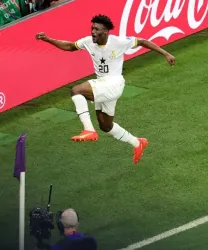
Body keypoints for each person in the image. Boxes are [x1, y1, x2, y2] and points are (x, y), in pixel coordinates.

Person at [36, 14, 175, 164]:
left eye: (97, 29)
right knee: (106, 125)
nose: (93, 32)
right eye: (92, 28)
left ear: (106, 32)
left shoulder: (118, 42)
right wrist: (48, 39)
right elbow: (70, 46)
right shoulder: (89, 42)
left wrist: (165, 53)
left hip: (114, 83)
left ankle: (88, 129)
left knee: (77, 91)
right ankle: (137, 143)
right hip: (102, 85)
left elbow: (142, 41)